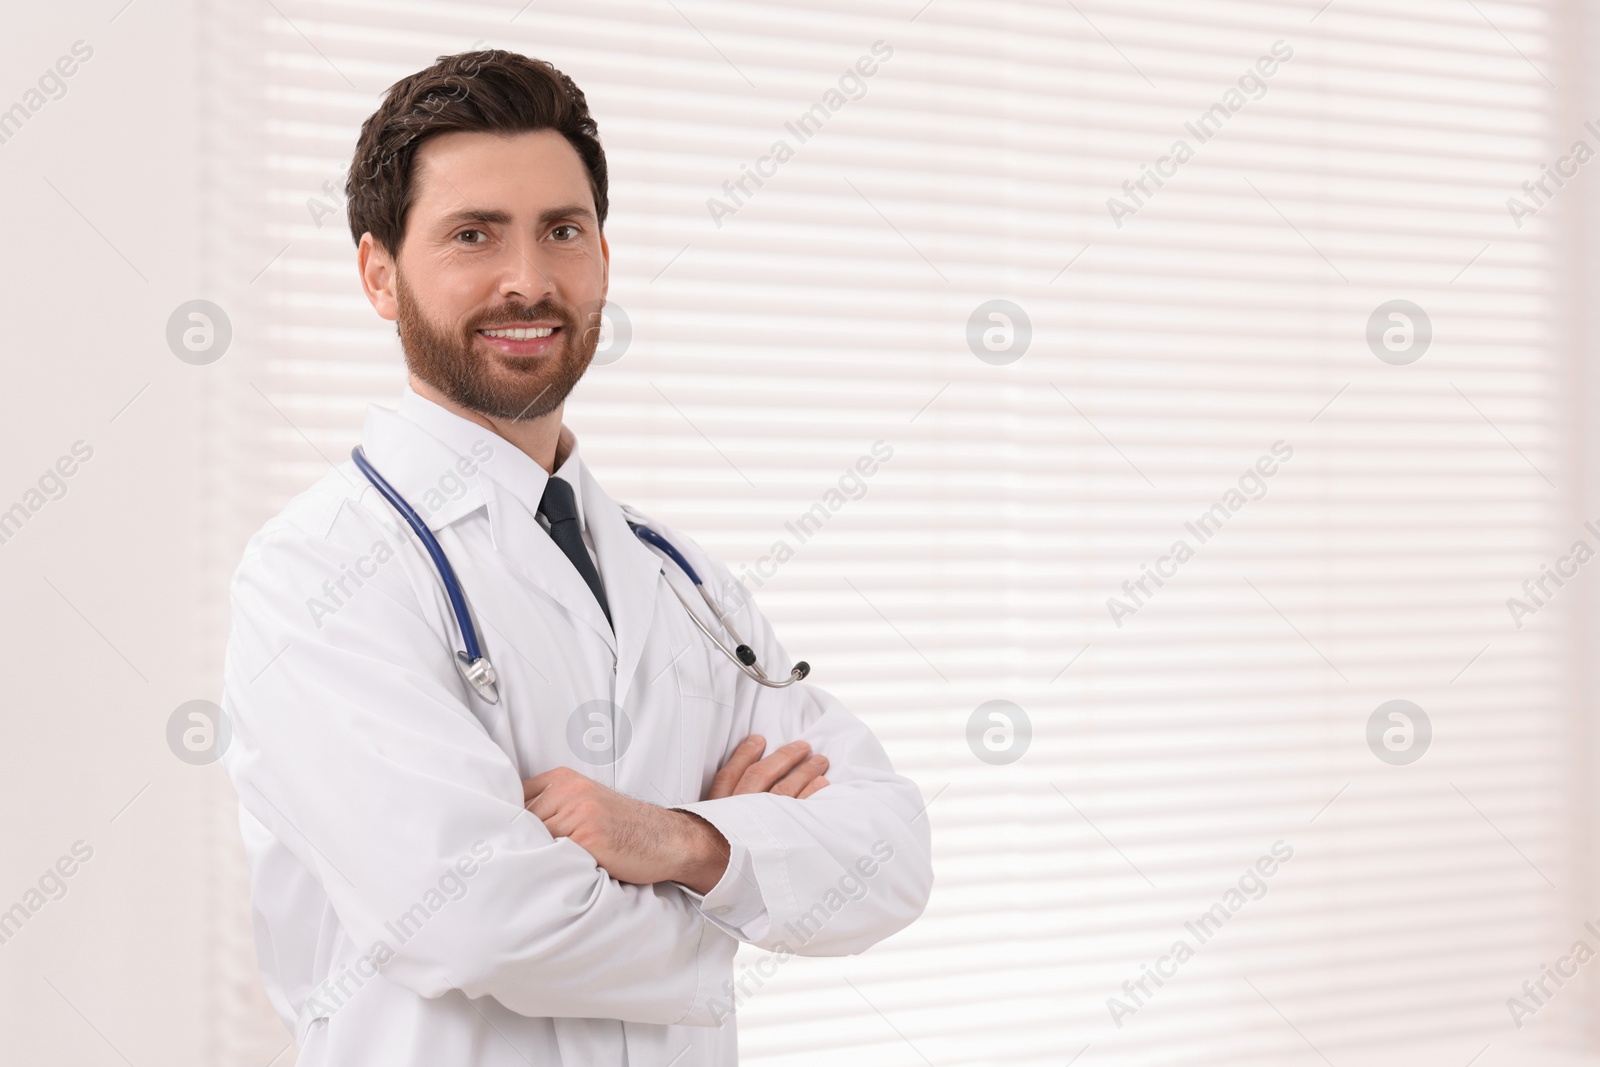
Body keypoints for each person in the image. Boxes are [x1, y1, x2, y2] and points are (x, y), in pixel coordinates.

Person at [219, 49, 933, 1066]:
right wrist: (743, 891)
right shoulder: (317, 573)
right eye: (474, 234)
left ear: (602, 255)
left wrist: (681, 839)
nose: (529, 279)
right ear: (379, 273)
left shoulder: (680, 580)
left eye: (563, 230)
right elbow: (471, 916)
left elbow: (892, 854)